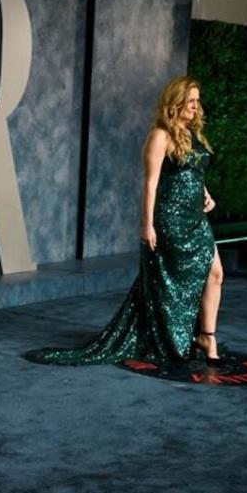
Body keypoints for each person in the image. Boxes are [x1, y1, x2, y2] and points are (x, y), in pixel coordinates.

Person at [26, 76, 225, 366]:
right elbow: (151, 183)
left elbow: (192, 172)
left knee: (215, 273)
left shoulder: (191, 134)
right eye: (191, 101)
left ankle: (207, 335)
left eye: (197, 101)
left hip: (196, 217)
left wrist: (206, 193)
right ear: (176, 103)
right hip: (170, 217)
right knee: (168, 280)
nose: (197, 107)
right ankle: (171, 335)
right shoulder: (160, 135)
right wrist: (147, 225)